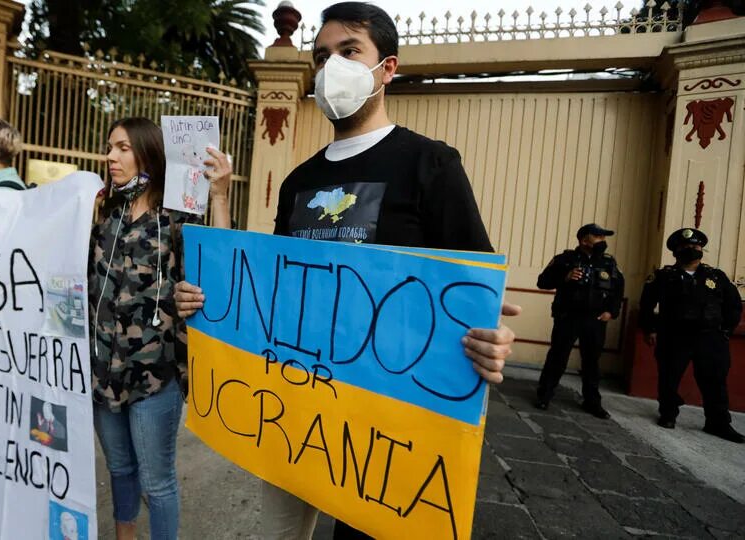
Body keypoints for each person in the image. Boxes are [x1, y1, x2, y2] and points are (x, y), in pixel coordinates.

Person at [173, 3, 519, 539]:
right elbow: (273, 287)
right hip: (295, 410)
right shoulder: (298, 181)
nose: (331, 66)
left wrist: (494, 337)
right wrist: (208, 301)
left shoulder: (431, 164)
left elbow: (474, 287)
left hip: (385, 427)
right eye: (321, 55)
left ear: (388, 69)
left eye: (349, 51)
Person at [90, 117, 232, 540]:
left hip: (155, 374)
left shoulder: (177, 215)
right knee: (119, 468)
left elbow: (217, 263)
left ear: (148, 153)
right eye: (110, 147)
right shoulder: (102, 211)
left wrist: (220, 195)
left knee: (157, 482)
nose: (111, 156)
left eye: (122, 148)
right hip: (102, 370)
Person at [639, 228, 743, 443]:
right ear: (676, 252)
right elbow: (647, 305)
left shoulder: (716, 276)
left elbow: (733, 305)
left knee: (715, 382)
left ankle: (718, 422)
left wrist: (726, 330)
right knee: (669, 377)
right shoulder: (664, 277)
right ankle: (668, 414)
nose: (692, 250)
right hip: (675, 336)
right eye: (686, 247)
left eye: (696, 246)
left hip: (710, 338)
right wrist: (650, 329)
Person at [533, 223, 624, 419]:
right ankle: (544, 396)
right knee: (558, 357)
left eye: (604, 237)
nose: (603, 241)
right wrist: (564, 277)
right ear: (584, 240)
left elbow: (618, 290)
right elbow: (542, 282)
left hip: (595, 320)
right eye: (598, 237)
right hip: (568, 317)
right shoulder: (565, 259)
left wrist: (611, 312)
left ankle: (592, 402)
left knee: (592, 362)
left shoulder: (609, 263)